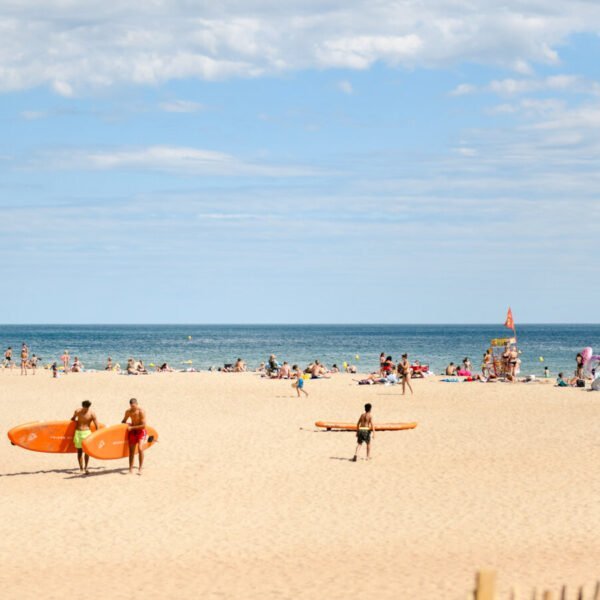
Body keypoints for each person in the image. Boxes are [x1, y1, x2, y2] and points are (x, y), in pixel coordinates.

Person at [71, 400, 99, 474]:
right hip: (78, 433)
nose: (85, 410)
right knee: (79, 451)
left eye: (87, 408)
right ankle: (81, 468)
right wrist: (74, 419)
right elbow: (73, 419)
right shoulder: (77, 411)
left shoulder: (92, 414)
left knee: (87, 451)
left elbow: (97, 425)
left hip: (87, 433)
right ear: (82, 406)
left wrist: (97, 435)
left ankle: (86, 468)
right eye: (84, 408)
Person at [122, 398, 147, 474]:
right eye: (132, 406)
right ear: (130, 405)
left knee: (140, 448)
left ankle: (140, 468)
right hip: (133, 432)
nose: (133, 408)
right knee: (131, 451)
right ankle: (130, 469)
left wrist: (131, 427)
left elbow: (143, 426)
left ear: (137, 404)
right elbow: (124, 421)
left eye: (134, 406)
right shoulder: (128, 412)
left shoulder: (141, 412)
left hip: (141, 432)